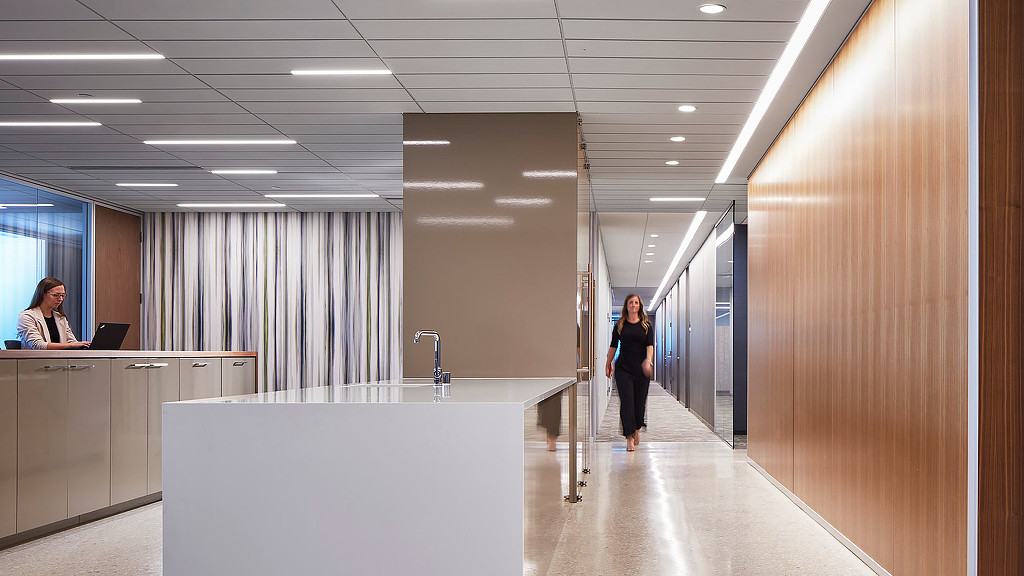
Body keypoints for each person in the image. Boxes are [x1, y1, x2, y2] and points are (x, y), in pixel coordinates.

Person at [605, 294, 654, 452]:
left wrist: (648, 360)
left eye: (636, 303)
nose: (633, 305)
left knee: (639, 403)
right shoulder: (620, 325)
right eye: (631, 303)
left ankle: (637, 428)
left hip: (640, 369)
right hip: (623, 368)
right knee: (627, 402)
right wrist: (608, 363)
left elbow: (650, 345)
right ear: (626, 306)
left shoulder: (646, 325)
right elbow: (613, 346)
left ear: (639, 306)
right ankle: (629, 437)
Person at [17, 277, 90, 350]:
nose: (60, 299)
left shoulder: (60, 317)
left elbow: (71, 341)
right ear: (43, 294)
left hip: (60, 359)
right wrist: (72, 345)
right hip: (36, 360)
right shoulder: (26, 316)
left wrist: (82, 345)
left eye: (63, 295)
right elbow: (38, 345)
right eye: (56, 295)